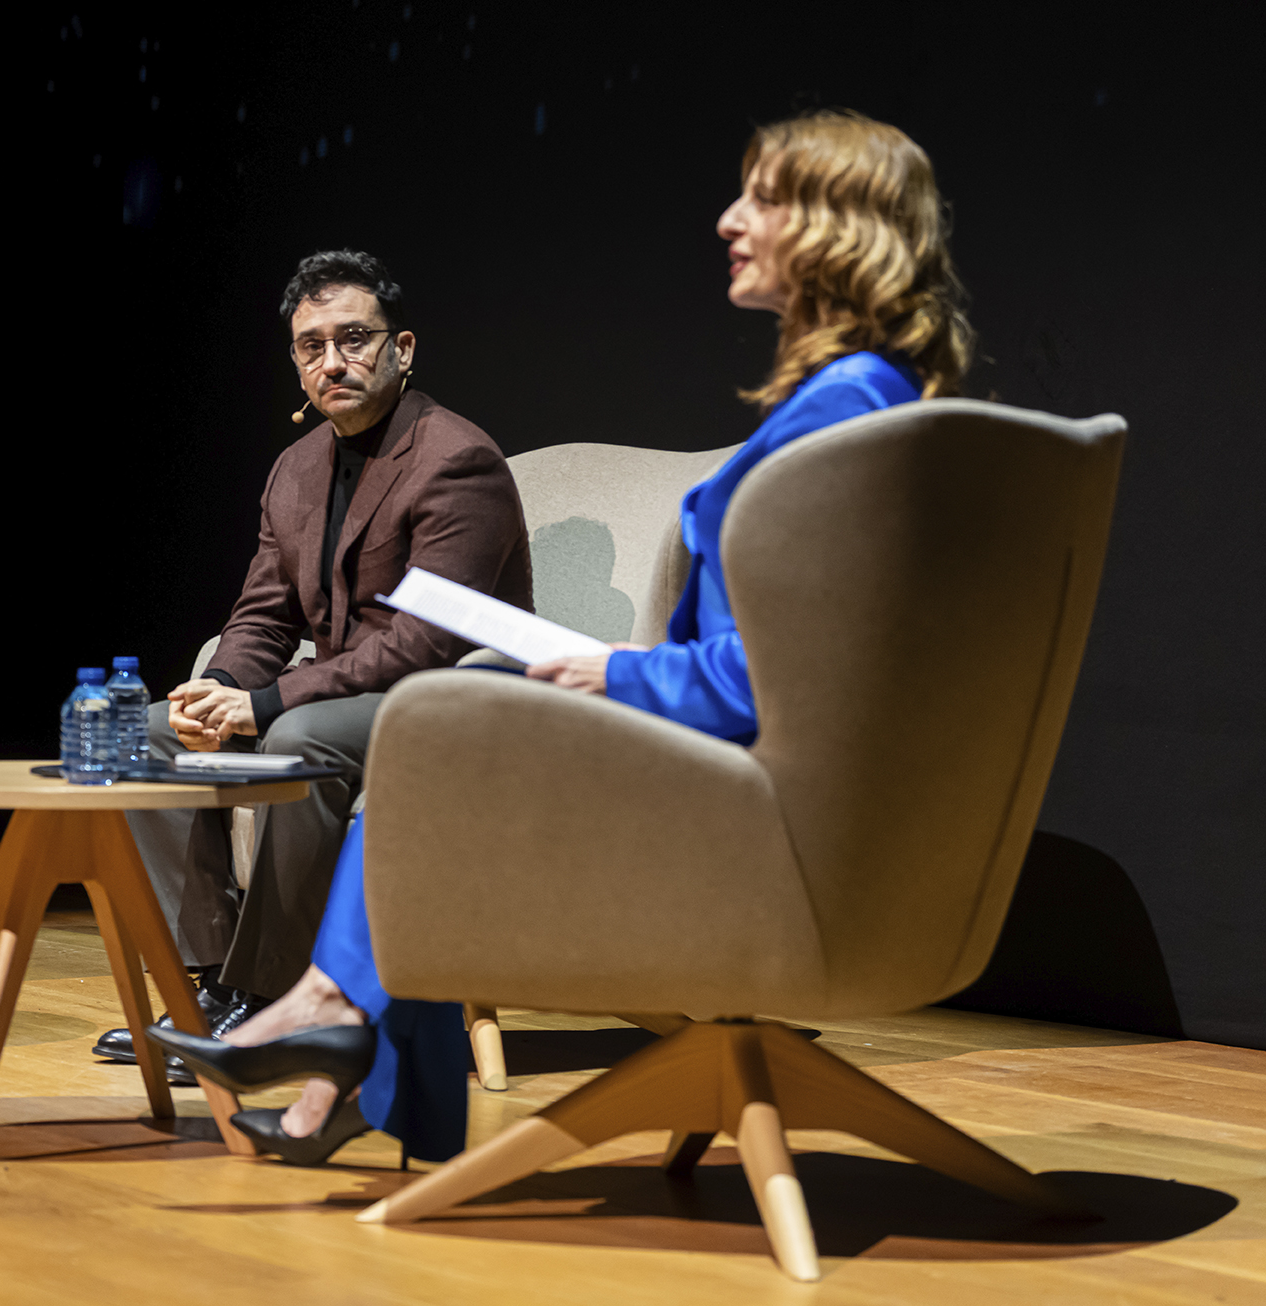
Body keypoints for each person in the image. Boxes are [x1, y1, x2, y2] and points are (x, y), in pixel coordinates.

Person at [151, 108, 977, 1164]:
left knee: (437, 725)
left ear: (840, 229)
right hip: (740, 764)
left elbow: (787, 677)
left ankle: (328, 1024)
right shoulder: (862, 396)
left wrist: (611, 670)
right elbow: (263, 609)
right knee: (438, 726)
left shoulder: (843, 411)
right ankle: (330, 1059)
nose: (727, 220)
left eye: (761, 199)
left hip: (748, 796)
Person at [97, 250, 533, 1074]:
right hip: (343, 696)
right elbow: (264, 614)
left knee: (300, 735)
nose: (332, 362)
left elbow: (427, 641)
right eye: (310, 346)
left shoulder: (456, 459)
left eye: (353, 339)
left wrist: (266, 704)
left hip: (451, 702)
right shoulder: (296, 468)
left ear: (402, 349)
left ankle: (270, 996)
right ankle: (209, 986)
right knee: (150, 733)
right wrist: (218, 688)